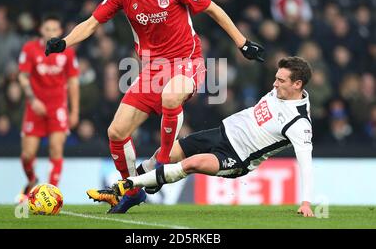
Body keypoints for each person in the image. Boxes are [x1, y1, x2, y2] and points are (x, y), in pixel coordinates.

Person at [45, 0, 264, 213]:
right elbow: (92, 23)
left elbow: (213, 9)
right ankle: (132, 189)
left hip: (188, 61)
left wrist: (243, 43)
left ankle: (161, 163)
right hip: (152, 71)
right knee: (116, 132)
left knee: (171, 97)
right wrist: (64, 43)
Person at [109, 57, 315, 217]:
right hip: (222, 133)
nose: (275, 83)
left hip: (237, 156)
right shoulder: (280, 91)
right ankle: (134, 187)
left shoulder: (299, 123)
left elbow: (305, 164)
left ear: (297, 84)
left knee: (192, 164)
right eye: (276, 78)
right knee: (168, 153)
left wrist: (305, 202)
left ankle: (129, 186)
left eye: (280, 80)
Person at [18, 14, 80, 200]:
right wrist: (32, 99)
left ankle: (50, 194)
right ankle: (32, 179)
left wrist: (75, 110)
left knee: (55, 148)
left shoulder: (67, 52)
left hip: (57, 108)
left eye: (55, 29)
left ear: (60, 32)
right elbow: (22, 76)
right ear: (41, 31)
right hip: (35, 107)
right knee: (27, 155)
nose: (51, 33)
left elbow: (73, 81)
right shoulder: (29, 49)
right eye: (48, 29)